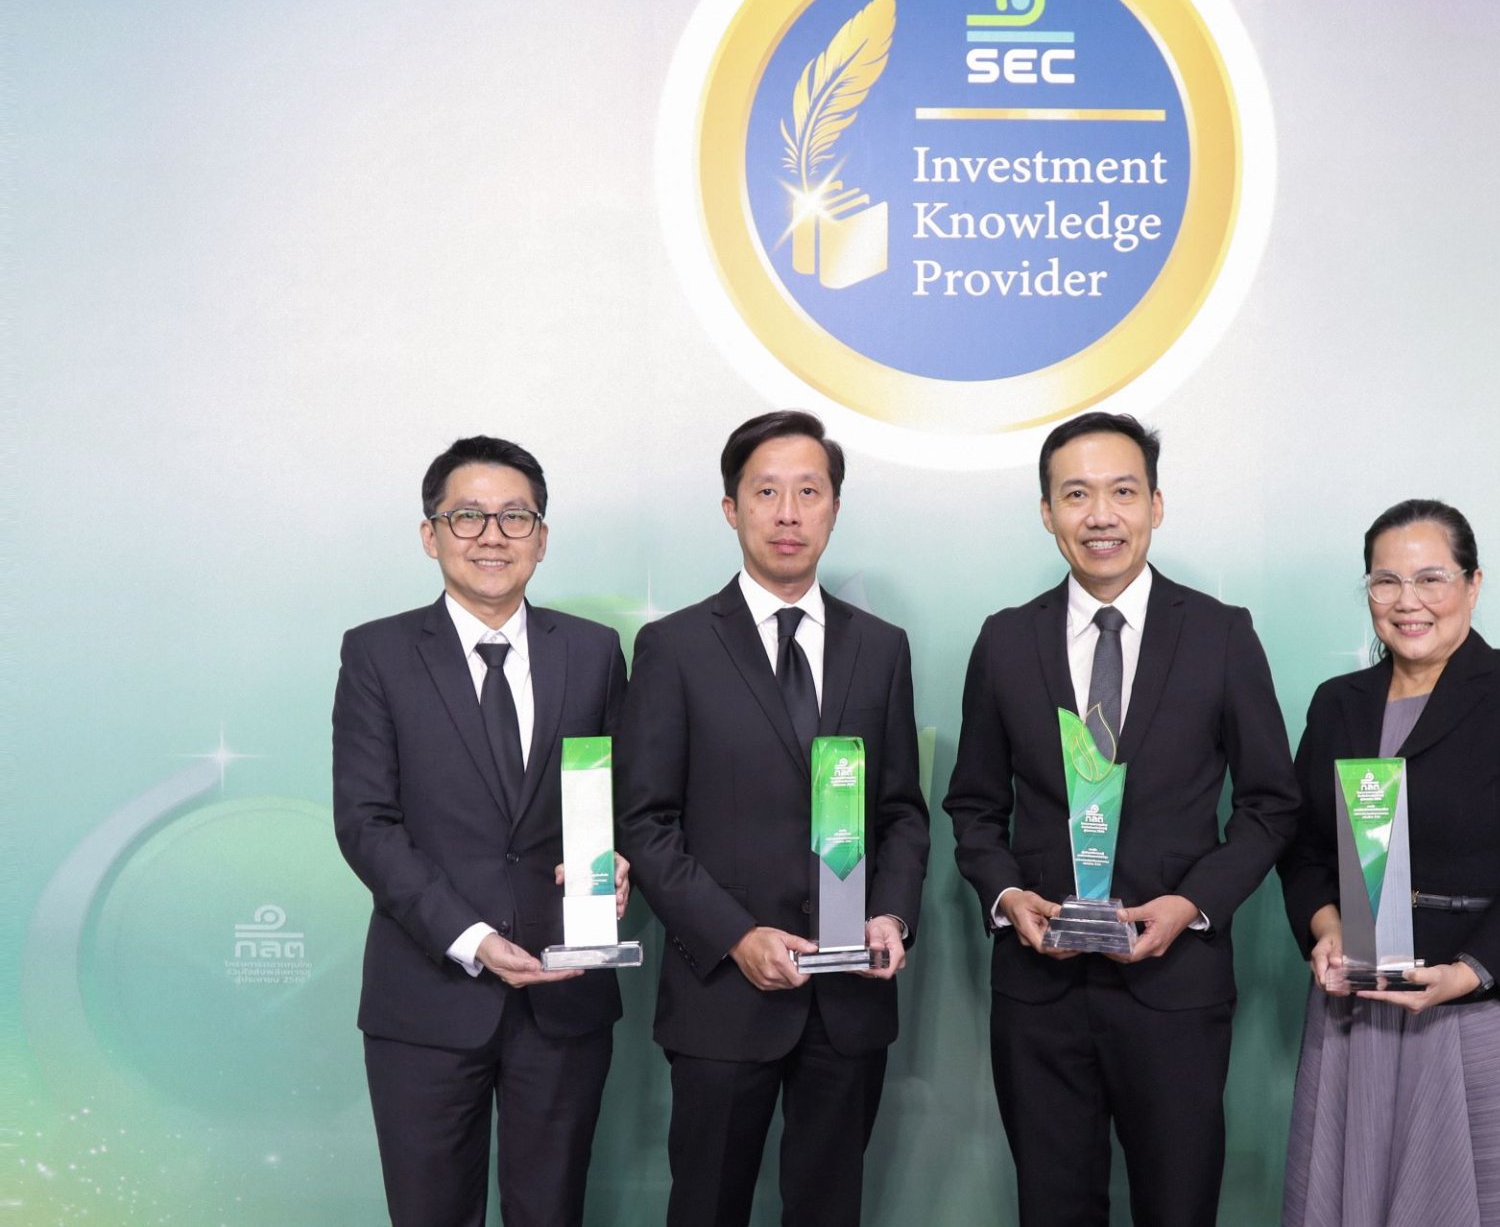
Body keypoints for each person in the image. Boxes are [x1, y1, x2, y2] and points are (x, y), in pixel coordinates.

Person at [943, 411, 1303, 1227]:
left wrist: (1193, 903)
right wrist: (1007, 897)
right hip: (1040, 989)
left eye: (1123, 492)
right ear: (1047, 512)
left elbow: (1271, 803)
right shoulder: (1005, 640)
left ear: (1156, 505)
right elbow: (974, 806)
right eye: (1076, 494)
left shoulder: (1220, 634)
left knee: (1178, 1207)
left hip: (1174, 987)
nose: (1100, 514)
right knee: (1052, 1209)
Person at [616, 409, 929, 1227]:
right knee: (707, 1207)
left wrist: (892, 912)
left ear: (834, 508)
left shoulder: (881, 647)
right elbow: (646, 822)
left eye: (809, 492)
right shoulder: (675, 647)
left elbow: (901, 810)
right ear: (732, 508)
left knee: (830, 1210)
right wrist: (735, 935)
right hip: (724, 994)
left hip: (849, 996)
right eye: (766, 492)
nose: (788, 513)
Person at [1277, 498, 1500, 1226]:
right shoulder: (1338, 704)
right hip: (1362, 1006)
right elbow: (1302, 849)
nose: (1408, 601)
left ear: (1473, 584)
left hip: (1491, 1000)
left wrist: (1467, 973)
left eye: (1431, 578)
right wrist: (1328, 928)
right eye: (1385, 581)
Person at [333, 435, 631, 1227]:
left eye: (514, 516)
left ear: (542, 536)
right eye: (467, 516)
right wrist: (469, 936)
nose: (492, 535)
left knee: (552, 1211)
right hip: (426, 995)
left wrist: (620, 858)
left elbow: (621, 798)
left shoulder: (594, 652)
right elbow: (366, 822)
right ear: (430, 534)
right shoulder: (377, 653)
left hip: (565, 991)